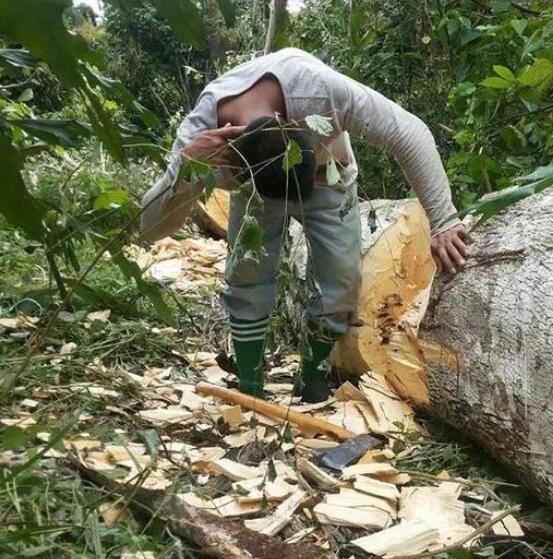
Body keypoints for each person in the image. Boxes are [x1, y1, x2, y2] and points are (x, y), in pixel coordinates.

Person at [140, 48, 470, 402]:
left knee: (342, 275)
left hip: (328, 175)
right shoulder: (201, 132)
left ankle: (312, 375)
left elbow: (408, 132)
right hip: (257, 190)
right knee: (247, 272)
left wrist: (444, 221)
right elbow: (148, 229)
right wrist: (185, 167)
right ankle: (250, 384)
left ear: (293, 121)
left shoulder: (318, 91)